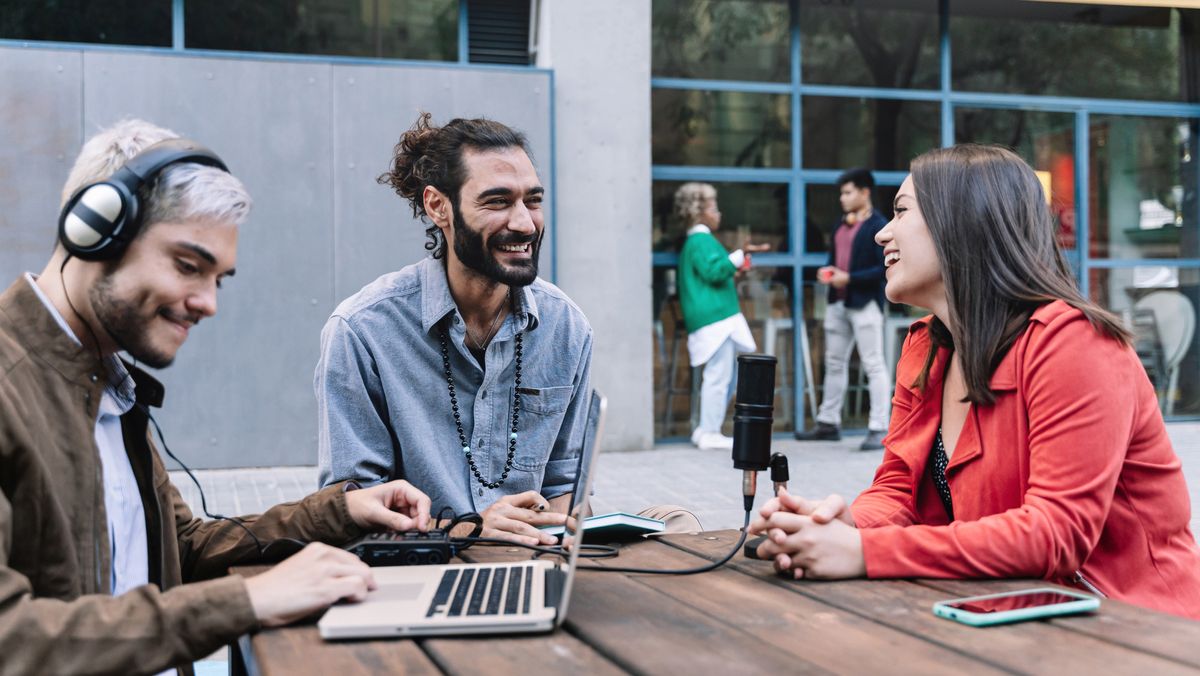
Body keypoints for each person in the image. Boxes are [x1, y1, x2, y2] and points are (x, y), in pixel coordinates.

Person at [0, 119, 434, 675]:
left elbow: (181, 550)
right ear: (96, 228)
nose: (208, 303)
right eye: (188, 266)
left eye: (218, 279)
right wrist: (246, 602)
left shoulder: (101, 382)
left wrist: (341, 511)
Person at [751, 145, 1200, 620]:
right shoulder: (926, 346)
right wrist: (840, 524)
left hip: (1139, 628)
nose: (882, 232)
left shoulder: (1073, 342)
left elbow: (1056, 534)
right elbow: (898, 490)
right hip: (1010, 614)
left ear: (962, 224)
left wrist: (866, 553)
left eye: (901, 211)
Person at [316, 113, 591, 548]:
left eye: (532, 201)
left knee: (679, 522)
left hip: (534, 562)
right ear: (438, 206)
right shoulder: (362, 331)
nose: (524, 223)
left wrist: (559, 539)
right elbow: (352, 510)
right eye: (497, 201)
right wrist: (472, 532)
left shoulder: (566, 327)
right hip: (418, 568)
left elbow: (565, 486)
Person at [795, 168, 891, 451]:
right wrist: (828, 272)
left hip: (865, 303)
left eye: (847, 192)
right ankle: (828, 422)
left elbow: (882, 268)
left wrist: (848, 278)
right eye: (841, 193)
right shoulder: (840, 225)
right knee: (834, 363)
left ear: (864, 193)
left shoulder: (878, 226)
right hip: (838, 302)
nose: (842, 198)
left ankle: (878, 427)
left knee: (873, 363)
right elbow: (834, 259)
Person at [673, 183, 769, 451]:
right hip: (716, 319)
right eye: (713, 207)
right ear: (699, 212)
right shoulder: (701, 240)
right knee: (719, 375)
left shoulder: (694, 241)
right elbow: (713, 272)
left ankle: (706, 428)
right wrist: (739, 257)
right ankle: (710, 431)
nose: (719, 213)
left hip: (711, 319)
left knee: (720, 374)